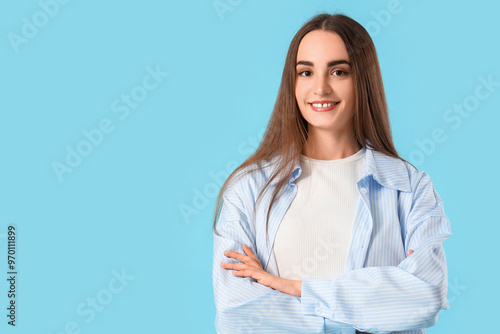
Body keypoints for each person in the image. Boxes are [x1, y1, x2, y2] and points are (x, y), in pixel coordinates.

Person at [212, 12, 451, 334]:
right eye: (306, 72)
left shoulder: (409, 187)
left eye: (339, 71)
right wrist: (372, 306)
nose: (320, 88)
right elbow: (238, 315)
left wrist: (293, 287)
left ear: (362, 80)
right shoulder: (249, 189)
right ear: (292, 82)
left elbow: (424, 297)